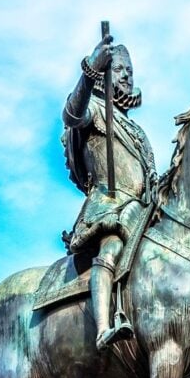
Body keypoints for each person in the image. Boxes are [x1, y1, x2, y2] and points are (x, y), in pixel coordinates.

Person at [62, 33, 157, 350]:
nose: (128, 75)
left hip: (141, 212)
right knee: (113, 246)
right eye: (119, 69)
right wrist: (90, 69)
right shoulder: (94, 110)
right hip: (110, 207)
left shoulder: (137, 132)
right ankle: (103, 327)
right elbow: (72, 115)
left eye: (130, 70)